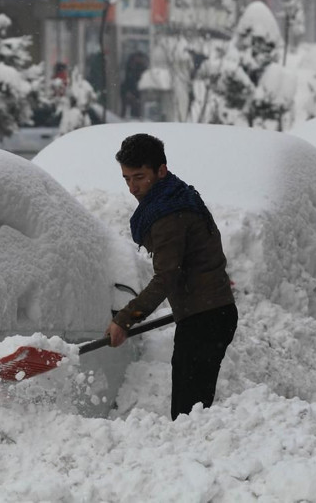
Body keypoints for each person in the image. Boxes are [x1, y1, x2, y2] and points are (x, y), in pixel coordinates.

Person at [106, 133, 237, 420]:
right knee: (193, 413)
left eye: (139, 177)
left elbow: (166, 277)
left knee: (188, 415)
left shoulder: (168, 215)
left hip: (204, 321)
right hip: (211, 314)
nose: (132, 187)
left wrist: (125, 318)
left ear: (161, 170)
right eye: (126, 179)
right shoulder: (180, 196)